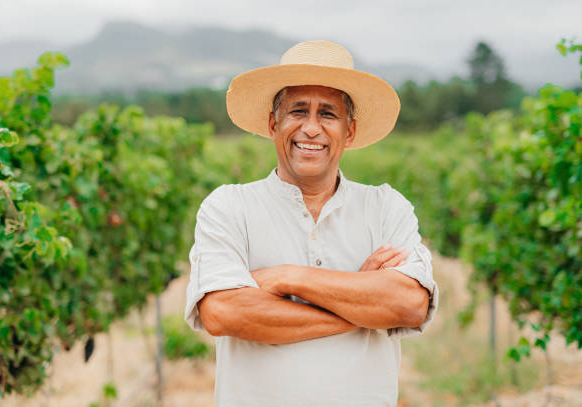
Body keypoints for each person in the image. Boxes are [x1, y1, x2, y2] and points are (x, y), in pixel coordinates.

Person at [184, 40, 439, 407]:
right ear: (274, 124)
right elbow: (223, 312)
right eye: (298, 111)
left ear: (349, 132)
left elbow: (410, 305)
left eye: (328, 114)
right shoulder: (229, 206)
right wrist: (362, 307)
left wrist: (289, 277)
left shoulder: (385, 206)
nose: (312, 128)